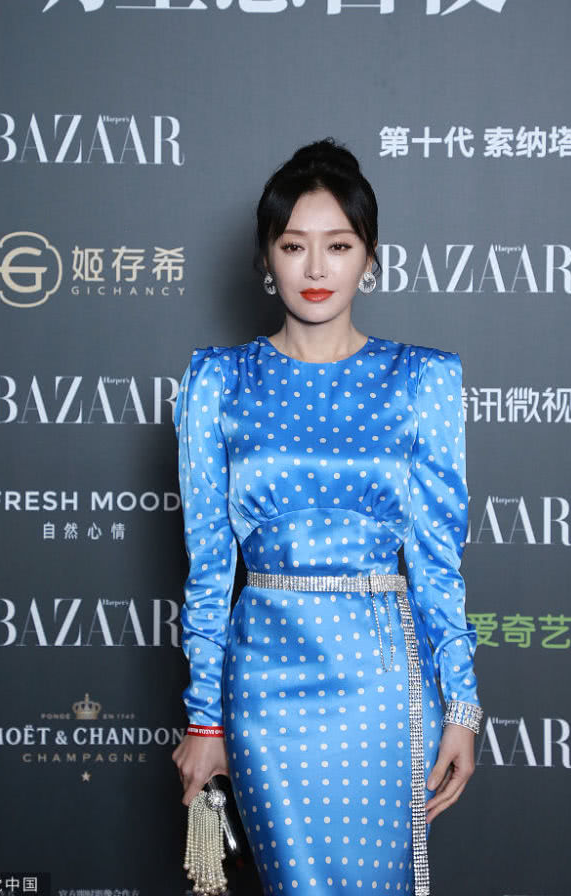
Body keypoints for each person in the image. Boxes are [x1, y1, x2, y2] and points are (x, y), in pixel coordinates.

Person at [171, 138, 483, 896]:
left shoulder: (423, 380)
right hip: (265, 689)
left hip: (382, 686)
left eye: (338, 245)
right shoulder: (218, 380)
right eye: (293, 246)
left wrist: (461, 708)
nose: (315, 268)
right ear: (265, 258)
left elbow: (438, 563)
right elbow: (208, 570)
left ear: (369, 257)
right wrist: (205, 721)